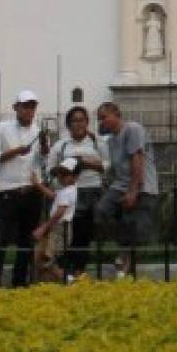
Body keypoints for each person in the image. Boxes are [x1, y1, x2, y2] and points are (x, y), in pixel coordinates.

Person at [0, 90, 49, 287]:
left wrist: (45, 150)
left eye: (32, 106)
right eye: (25, 106)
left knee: (26, 241)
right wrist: (16, 151)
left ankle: (20, 283)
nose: (29, 110)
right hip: (8, 192)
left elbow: (41, 162)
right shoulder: (1, 128)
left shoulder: (38, 131)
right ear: (16, 108)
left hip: (32, 192)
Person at [95, 102, 159, 278]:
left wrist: (133, 191)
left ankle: (125, 261)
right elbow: (115, 167)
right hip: (120, 185)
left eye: (104, 117)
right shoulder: (111, 140)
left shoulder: (132, 129)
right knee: (102, 211)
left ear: (116, 114)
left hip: (140, 184)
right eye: (99, 119)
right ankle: (124, 250)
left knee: (132, 223)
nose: (102, 122)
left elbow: (136, 159)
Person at [47, 106, 109, 276]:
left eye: (82, 119)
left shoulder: (98, 142)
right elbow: (51, 169)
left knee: (84, 234)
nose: (79, 123)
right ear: (68, 125)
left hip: (92, 191)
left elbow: (107, 166)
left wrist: (85, 163)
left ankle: (79, 271)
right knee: (68, 233)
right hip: (69, 193)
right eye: (74, 120)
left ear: (87, 122)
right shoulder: (61, 145)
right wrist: (67, 168)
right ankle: (66, 271)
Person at [31, 158, 79, 283]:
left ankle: (70, 281)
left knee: (45, 260)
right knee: (43, 258)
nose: (61, 177)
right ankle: (61, 281)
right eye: (60, 173)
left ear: (75, 176)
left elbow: (59, 213)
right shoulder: (66, 191)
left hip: (59, 229)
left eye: (65, 174)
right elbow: (53, 195)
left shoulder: (68, 192)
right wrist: (38, 184)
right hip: (56, 228)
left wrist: (43, 228)